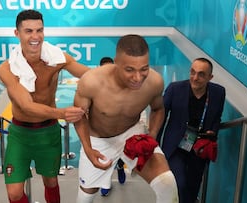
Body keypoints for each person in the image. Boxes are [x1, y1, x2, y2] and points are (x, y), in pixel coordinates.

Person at [0, 10, 89, 203]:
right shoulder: (7, 69)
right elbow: (26, 106)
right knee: (14, 193)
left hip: (48, 132)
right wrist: (62, 113)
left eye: (39, 30)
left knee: (51, 182)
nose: (35, 36)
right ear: (17, 33)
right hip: (20, 134)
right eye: (28, 31)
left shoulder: (57, 59)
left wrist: (116, 75)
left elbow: (88, 75)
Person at [74, 34, 178, 203]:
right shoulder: (91, 82)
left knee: (167, 183)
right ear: (116, 62)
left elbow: (158, 109)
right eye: (130, 70)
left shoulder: (155, 82)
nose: (138, 78)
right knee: (84, 198)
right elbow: (79, 117)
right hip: (98, 141)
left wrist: (151, 136)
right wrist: (87, 147)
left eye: (144, 69)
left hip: (132, 134)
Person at [157, 58, 225, 203]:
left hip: (199, 148)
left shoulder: (218, 92)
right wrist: (155, 146)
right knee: (179, 183)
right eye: (192, 72)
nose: (195, 77)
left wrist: (213, 131)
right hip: (176, 146)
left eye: (201, 74)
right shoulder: (175, 89)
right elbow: (160, 116)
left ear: (210, 77)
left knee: (193, 187)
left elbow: (217, 117)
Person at [97, 56, 127, 197]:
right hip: (102, 129)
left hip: (121, 128)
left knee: (120, 154)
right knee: (105, 156)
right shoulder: (94, 86)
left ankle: (120, 166)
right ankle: (106, 183)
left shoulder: (123, 86)